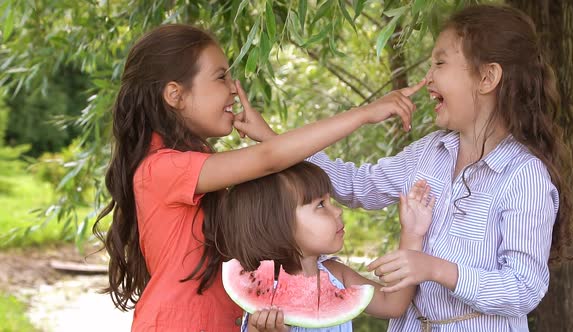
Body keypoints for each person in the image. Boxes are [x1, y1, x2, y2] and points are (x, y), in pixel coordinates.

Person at [251, 4, 573, 332]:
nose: (428, 77)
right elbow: (355, 185)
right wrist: (271, 141)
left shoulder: (525, 177)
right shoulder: (428, 152)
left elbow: (523, 288)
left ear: (487, 77)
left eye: (440, 63)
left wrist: (435, 269)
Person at [91, 24, 426, 331]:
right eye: (221, 77)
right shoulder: (161, 168)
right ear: (175, 95)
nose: (234, 90)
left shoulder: (201, 165)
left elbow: (276, 187)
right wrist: (364, 114)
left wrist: (267, 134)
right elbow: (269, 160)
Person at [218, 161, 435, 332]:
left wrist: (412, 233)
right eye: (321, 205)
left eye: (330, 201)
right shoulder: (263, 297)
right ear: (275, 225)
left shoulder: (335, 272)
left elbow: (392, 304)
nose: (338, 211)